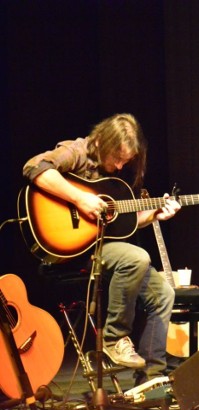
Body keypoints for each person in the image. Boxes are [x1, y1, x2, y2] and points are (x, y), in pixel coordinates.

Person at [23, 113, 179, 385]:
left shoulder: (118, 177)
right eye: (117, 158)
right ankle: (113, 338)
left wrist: (154, 215)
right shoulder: (78, 151)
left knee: (163, 293)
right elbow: (34, 167)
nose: (120, 166)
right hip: (76, 252)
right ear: (103, 143)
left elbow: (125, 224)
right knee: (137, 257)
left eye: (126, 160)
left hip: (106, 248)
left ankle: (152, 379)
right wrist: (80, 199)